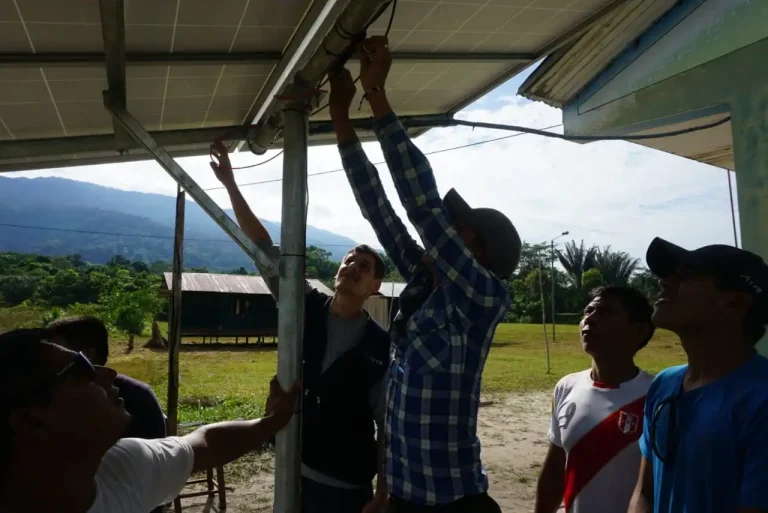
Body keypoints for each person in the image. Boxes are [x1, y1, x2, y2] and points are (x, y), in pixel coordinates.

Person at [328, 36, 521, 512]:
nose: (449, 230)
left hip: (454, 503)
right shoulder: (422, 279)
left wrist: (376, 96)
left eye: (462, 231)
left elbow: (423, 209)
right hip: (404, 497)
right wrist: (339, 117)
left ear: (480, 256)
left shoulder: (482, 298)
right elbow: (380, 210)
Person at [210, 143, 391, 513]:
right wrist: (230, 183)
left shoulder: (380, 346)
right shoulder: (303, 303)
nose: (353, 267)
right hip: (293, 467)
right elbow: (260, 245)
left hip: (348, 485)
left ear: (375, 287)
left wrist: (383, 494)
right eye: (350, 260)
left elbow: (388, 427)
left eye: (365, 267)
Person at [0, 328, 299, 513]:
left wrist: (273, 421)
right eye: (80, 372)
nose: (108, 373)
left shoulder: (122, 470)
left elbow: (205, 444)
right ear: (31, 421)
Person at [629, 238, 768, 513]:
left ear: (736, 303)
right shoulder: (664, 383)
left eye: (686, 276)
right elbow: (644, 491)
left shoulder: (761, 400)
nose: (664, 283)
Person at [534, 286, 655, 513]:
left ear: (639, 331)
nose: (590, 318)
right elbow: (555, 467)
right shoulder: (567, 387)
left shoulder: (657, 394)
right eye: (588, 310)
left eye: (606, 312)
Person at [46, 315, 166, 440]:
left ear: (87, 355)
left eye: (55, 351)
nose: (47, 358)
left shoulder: (136, 400)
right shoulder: (50, 393)